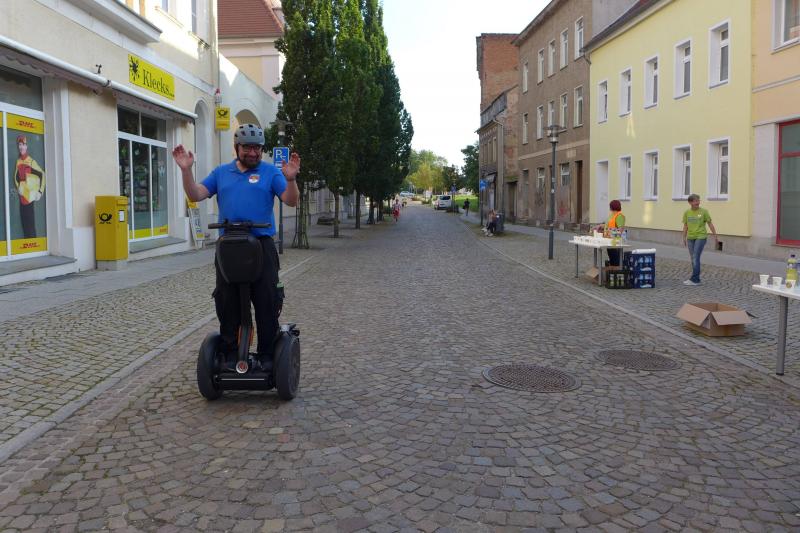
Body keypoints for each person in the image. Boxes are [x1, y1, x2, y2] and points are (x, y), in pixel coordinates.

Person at [172, 123, 300, 360]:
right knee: (227, 302)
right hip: (229, 248)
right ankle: (230, 355)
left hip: (261, 246)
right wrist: (186, 171)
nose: (253, 153)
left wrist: (291, 180)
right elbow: (195, 194)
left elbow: (291, 201)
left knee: (266, 302)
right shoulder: (221, 172)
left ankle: (267, 357)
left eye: (257, 148)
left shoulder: (271, 172)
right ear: (237, 147)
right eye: (247, 148)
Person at [681, 194, 717, 286]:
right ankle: (695, 279)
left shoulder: (704, 212)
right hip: (690, 238)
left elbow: (710, 224)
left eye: (698, 200)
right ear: (690, 202)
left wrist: (715, 236)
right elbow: (685, 226)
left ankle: (695, 279)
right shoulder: (687, 213)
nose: (698, 202)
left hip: (701, 237)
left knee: (695, 257)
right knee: (693, 258)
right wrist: (684, 237)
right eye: (696, 201)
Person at [14, 134, 45, 239]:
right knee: (24, 223)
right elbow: (16, 177)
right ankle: (27, 243)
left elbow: (42, 175)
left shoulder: (31, 161)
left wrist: (40, 191)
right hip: (21, 197)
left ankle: (33, 244)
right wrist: (18, 186)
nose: (21, 147)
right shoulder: (18, 161)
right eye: (19, 144)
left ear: (27, 146)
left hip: (30, 197)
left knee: (30, 224)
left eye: (23, 144)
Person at [599, 199, 625, 266]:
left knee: (616, 262)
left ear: (612, 207)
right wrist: (600, 226)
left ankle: (616, 271)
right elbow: (608, 225)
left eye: (610, 206)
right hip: (609, 242)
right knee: (612, 261)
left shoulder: (619, 216)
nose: (609, 208)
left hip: (616, 244)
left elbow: (620, 230)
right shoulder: (612, 215)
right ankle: (612, 270)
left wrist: (608, 232)